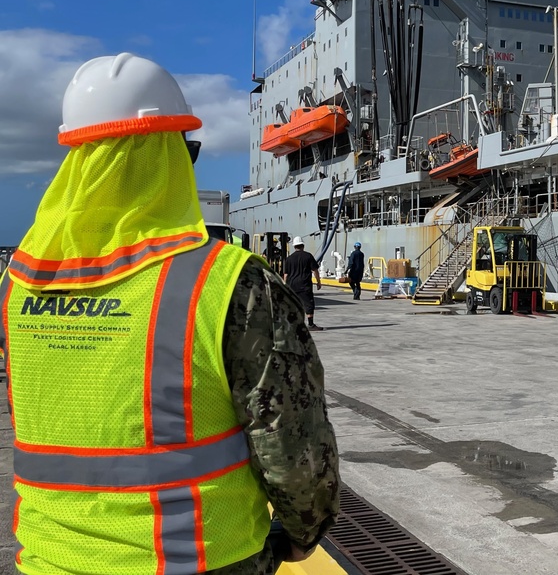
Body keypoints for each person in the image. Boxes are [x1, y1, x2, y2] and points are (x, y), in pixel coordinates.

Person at [0, 53, 340, 574]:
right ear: (170, 152)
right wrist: (303, 532)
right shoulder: (227, 282)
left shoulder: (17, 284)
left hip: (49, 559)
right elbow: (292, 442)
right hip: (197, 559)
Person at [284, 236, 324, 331]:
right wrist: (318, 282)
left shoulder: (289, 259)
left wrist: (284, 286)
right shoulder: (308, 256)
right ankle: (310, 324)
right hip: (304, 285)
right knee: (308, 304)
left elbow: (286, 274)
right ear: (303, 245)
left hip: (292, 285)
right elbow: (315, 270)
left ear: (294, 246)